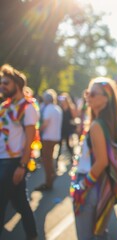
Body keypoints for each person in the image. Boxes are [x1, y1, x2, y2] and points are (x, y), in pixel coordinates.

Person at [71, 77, 117, 239]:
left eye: (93, 93)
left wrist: (82, 186)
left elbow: (102, 161)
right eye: (87, 92)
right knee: (99, 234)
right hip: (101, 186)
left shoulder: (97, 125)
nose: (88, 96)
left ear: (106, 98)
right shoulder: (107, 123)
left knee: (86, 236)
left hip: (90, 186)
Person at [0, 64, 38, 239]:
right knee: (20, 204)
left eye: (5, 83)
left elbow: (30, 141)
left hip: (13, 163)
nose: (2, 86)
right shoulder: (6, 106)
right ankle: (32, 234)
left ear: (17, 84)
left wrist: (22, 166)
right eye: (1, 83)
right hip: (3, 160)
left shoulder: (27, 108)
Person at [35, 89, 62, 191]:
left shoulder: (48, 109)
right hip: (55, 137)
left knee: (47, 160)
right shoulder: (57, 108)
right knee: (49, 159)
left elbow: (45, 124)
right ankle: (52, 176)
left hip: (48, 138)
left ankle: (48, 182)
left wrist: (37, 131)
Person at [58, 92, 77, 157]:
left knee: (68, 144)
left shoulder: (71, 107)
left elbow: (74, 117)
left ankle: (72, 157)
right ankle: (57, 159)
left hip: (68, 128)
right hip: (61, 127)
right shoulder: (60, 107)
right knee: (59, 144)